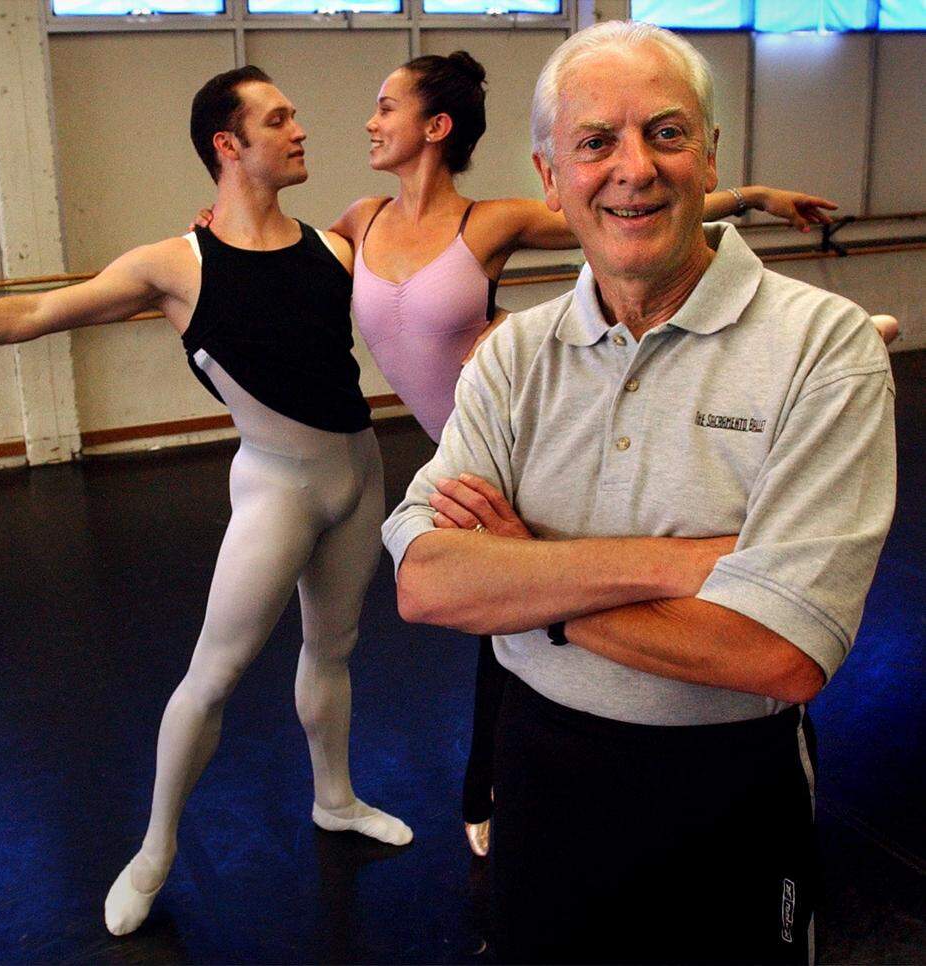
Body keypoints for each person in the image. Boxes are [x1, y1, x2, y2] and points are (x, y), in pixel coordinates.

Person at [0, 65, 411, 939]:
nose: (300, 129)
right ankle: (157, 849)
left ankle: (335, 799)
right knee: (214, 675)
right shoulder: (175, 265)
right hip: (278, 487)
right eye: (279, 119)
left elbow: (426, 288)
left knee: (334, 648)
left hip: (361, 473)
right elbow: (31, 315)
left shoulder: (334, 246)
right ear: (228, 145)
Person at [381, 21, 895, 964]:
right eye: (595, 142)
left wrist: (530, 584)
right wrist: (682, 566)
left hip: (732, 790)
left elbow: (781, 651)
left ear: (709, 156)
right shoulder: (516, 356)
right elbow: (425, 582)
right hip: (540, 775)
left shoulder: (825, 348)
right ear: (549, 175)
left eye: (665, 133)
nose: (634, 169)